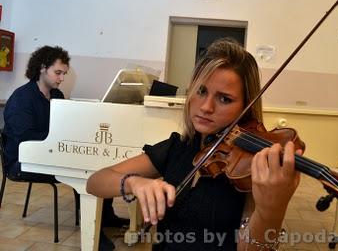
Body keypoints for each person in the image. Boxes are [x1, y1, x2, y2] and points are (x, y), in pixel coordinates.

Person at [86, 38, 303, 250]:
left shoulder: (250, 166)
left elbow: (251, 247)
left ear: (246, 106)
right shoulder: (177, 147)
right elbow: (95, 181)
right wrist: (134, 183)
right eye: (201, 91)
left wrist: (271, 210)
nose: (206, 107)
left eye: (224, 99)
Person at [2, 45, 126, 251]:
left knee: (98, 163)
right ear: (42, 68)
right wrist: (61, 143)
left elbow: (65, 126)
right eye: (57, 72)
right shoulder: (21, 98)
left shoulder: (56, 96)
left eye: (64, 74)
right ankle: (94, 232)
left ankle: (106, 216)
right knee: (83, 171)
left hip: (48, 153)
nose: (61, 78)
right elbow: (25, 138)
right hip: (22, 161)